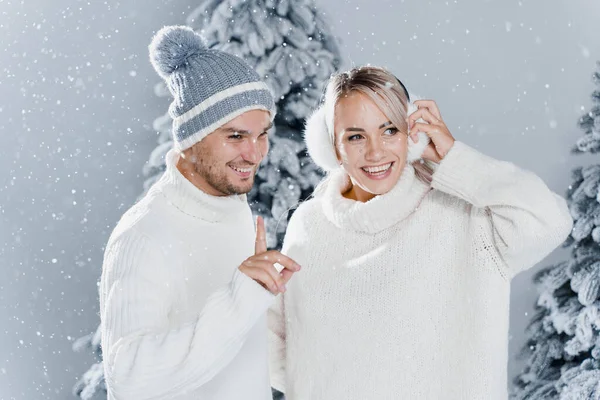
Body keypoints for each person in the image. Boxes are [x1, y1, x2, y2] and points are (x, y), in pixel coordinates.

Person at [268, 66, 573, 399]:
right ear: (333, 146)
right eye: (356, 136)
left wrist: (455, 159)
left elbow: (548, 220)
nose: (375, 151)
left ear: (411, 133)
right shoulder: (310, 225)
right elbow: (281, 347)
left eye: (389, 130)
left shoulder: (463, 215)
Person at [99, 26, 300, 400]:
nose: (255, 154)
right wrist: (240, 299)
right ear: (191, 139)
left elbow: (235, 350)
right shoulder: (144, 234)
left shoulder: (231, 207)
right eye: (236, 136)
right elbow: (130, 380)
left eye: (262, 134)